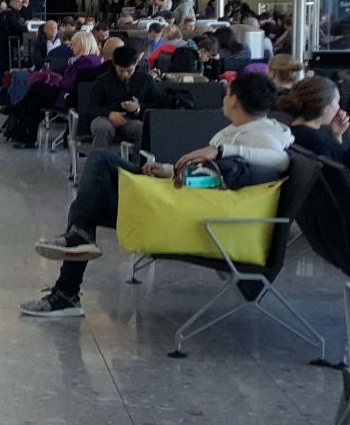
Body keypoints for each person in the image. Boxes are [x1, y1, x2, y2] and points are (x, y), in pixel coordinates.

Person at [22, 72, 291, 318]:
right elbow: (206, 176)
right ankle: (73, 262)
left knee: (89, 197)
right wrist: (166, 169)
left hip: (194, 218)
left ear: (236, 99)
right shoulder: (236, 131)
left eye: (228, 92)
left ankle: (67, 290)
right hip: (188, 200)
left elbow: (279, 161)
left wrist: (220, 152)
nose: (224, 96)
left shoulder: (265, 135)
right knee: (93, 185)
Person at [79, 44, 163, 152]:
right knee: (101, 127)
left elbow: (158, 104)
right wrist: (109, 114)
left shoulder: (145, 80)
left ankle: (138, 166)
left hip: (132, 119)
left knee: (143, 129)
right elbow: (91, 107)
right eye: (121, 70)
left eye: (129, 70)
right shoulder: (103, 80)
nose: (125, 74)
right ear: (114, 64)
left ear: (136, 63)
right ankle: (100, 165)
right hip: (104, 118)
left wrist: (138, 108)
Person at [282, 76, 348, 161]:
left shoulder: (284, 131)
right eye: (337, 102)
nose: (339, 107)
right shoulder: (323, 145)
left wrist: (337, 135)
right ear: (325, 107)